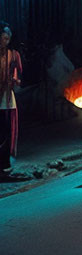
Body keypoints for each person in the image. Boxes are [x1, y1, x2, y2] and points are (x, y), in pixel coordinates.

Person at [0, 23, 23, 180]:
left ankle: (5, 165)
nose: (6, 41)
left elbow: (18, 75)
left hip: (7, 99)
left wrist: (15, 80)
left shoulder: (13, 55)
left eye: (8, 38)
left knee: (7, 132)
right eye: (3, 38)